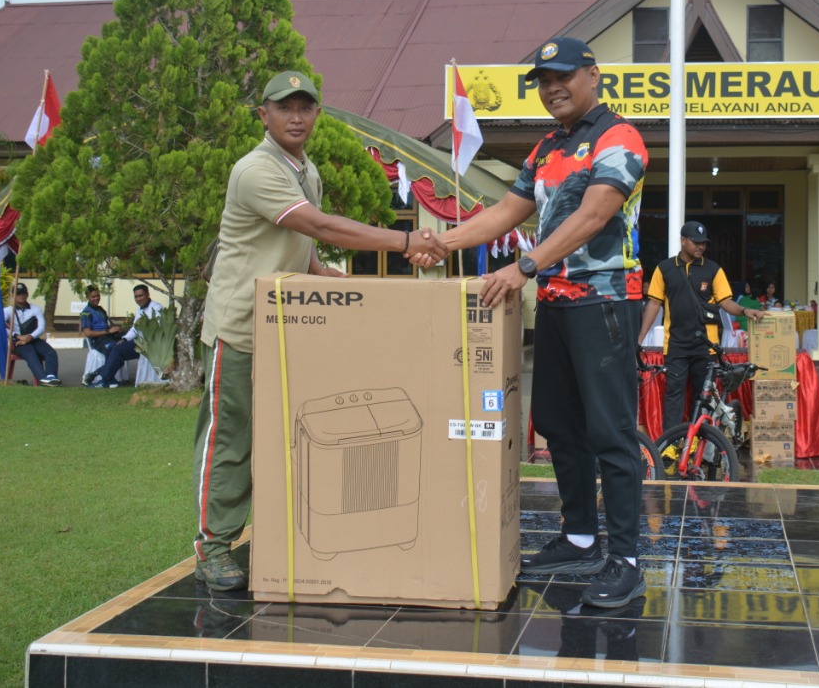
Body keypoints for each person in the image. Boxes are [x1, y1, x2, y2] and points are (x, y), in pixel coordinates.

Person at [415, 37, 650, 609]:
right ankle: (579, 536)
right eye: (543, 80)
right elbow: (504, 212)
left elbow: (595, 214)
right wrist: (439, 241)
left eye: (563, 75)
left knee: (611, 432)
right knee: (557, 423)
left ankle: (626, 558)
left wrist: (525, 264)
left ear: (593, 76)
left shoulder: (619, 138)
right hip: (558, 304)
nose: (552, 88)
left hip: (605, 303)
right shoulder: (547, 147)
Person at [191, 69, 445, 592]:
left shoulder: (304, 171)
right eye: (285, 108)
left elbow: (300, 242)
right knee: (230, 443)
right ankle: (213, 548)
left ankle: (298, 534)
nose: (296, 117)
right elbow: (319, 225)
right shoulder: (255, 169)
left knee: (295, 440)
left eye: (305, 107)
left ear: (317, 115)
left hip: (287, 332)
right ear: (264, 115)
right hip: (240, 328)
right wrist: (403, 244)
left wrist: (326, 275)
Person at [637, 221, 764, 434]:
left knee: (703, 397)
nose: (700, 247)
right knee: (673, 396)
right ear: (683, 240)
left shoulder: (713, 269)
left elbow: (725, 302)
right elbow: (654, 303)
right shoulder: (665, 268)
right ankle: (672, 444)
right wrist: (640, 337)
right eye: (696, 243)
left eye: (703, 243)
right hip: (675, 345)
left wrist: (743, 311)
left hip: (706, 347)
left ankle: (703, 445)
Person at [87, 284, 162, 388]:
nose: (138, 299)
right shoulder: (140, 310)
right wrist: (124, 339)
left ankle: (104, 380)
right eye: (136, 296)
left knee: (118, 350)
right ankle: (110, 379)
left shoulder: (156, 308)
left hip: (150, 344)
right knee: (114, 346)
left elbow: (158, 327)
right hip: (140, 342)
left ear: (148, 294)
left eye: (141, 295)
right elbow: (134, 329)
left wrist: (145, 323)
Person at [4, 283, 61, 386]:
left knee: (51, 353)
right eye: (18, 293)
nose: (21, 296)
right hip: (18, 343)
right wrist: (17, 336)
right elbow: (0, 328)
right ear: (13, 296)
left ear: (27, 294)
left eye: (23, 293)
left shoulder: (35, 309)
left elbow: (41, 327)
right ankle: (43, 379)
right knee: (30, 353)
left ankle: (51, 377)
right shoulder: (8, 311)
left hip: (34, 339)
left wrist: (30, 337)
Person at [79, 287, 122, 355]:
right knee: (114, 349)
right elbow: (87, 333)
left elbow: (107, 325)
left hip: (109, 336)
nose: (96, 298)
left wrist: (116, 328)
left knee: (128, 342)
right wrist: (108, 331)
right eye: (93, 296)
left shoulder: (100, 309)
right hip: (98, 341)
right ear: (88, 297)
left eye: (98, 295)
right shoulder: (86, 313)